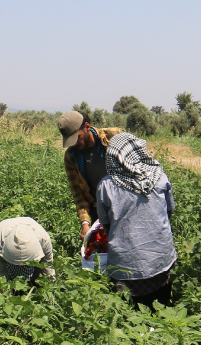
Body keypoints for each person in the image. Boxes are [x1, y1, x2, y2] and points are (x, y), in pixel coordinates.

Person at [95, 133, 177, 310]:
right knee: (162, 311)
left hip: (126, 266)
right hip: (161, 260)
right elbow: (168, 213)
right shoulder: (160, 178)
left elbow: (107, 225)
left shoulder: (107, 186)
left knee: (129, 316)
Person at [58, 110, 125, 241]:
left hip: (126, 205)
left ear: (87, 127)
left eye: (77, 137)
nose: (74, 144)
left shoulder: (114, 137)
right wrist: (85, 223)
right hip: (99, 213)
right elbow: (79, 195)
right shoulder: (72, 157)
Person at [0, 217, 55, 292]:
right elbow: (0, 272)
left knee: (35, 285)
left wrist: (50, 290)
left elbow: (48, 267)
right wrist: (4, 296)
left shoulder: (44, 239)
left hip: (32, 263)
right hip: (5, 261)